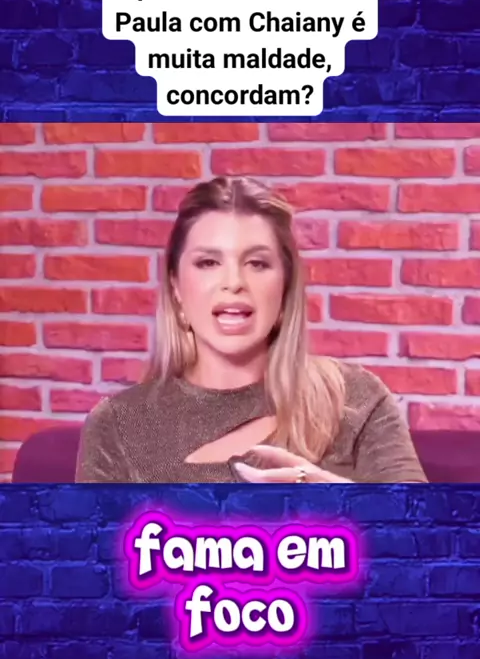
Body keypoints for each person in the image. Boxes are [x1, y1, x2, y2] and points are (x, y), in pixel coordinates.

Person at [76, 176, 427, 484]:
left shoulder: (354, 398)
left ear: (285, 286)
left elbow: (424, 532)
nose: (234, 282)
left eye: (257, 263)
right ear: (176, 288)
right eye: (208, 262)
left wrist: (340, 502)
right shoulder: (118, 425)